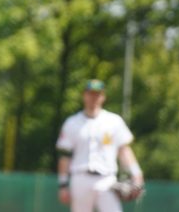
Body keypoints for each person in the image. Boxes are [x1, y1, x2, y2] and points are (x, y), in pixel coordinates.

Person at [56, 79, 145, 212]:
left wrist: (136, 173)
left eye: (97, 94)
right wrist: (63, 184)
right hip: (80, 178)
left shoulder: (114, 121)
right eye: (90, 93)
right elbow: (65, 155)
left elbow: (124, 150)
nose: (94, 97)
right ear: (84, 95)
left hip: (107, 179)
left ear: (103, 97)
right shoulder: (72, 123)